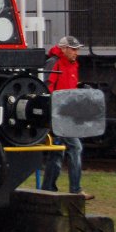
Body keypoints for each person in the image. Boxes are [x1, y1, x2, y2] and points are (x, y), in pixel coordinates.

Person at [40, 35, 93, 199]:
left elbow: (67, 87)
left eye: (77, 49)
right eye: (73, 49)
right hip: (59, 115)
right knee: (75, 148)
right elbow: (48, 88)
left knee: (57, 153)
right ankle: (75, 190)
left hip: (65, 114)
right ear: (64, 49)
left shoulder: (71, 65)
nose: (76, 52)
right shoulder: (55, 63)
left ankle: (48, 188)